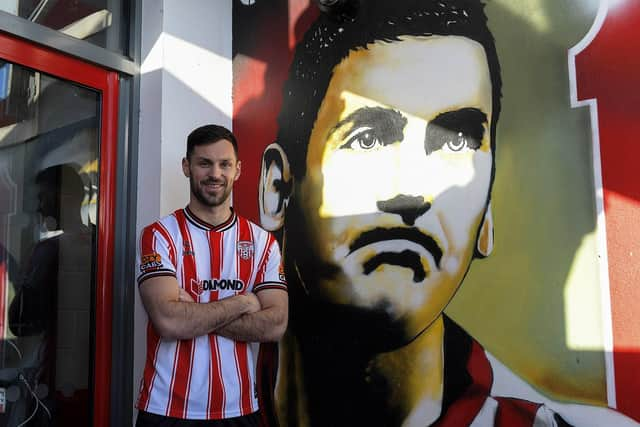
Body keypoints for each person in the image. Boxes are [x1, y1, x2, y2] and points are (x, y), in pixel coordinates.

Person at [255, 1, 637, 426]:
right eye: (368, 139)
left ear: (486, 214)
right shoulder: (208, 395)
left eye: (454, 143)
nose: (413, 191)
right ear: (278, 189)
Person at [136, 124, 288, 426]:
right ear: (186, 167)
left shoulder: (262, 242)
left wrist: (192, 312)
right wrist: (244, 302)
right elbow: (168, 322)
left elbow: (276, 325)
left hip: (240, 410)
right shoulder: (159, 236)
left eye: (224, 164)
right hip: (167, 409)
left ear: (238, 170)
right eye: (204, 163)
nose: (215, 173)